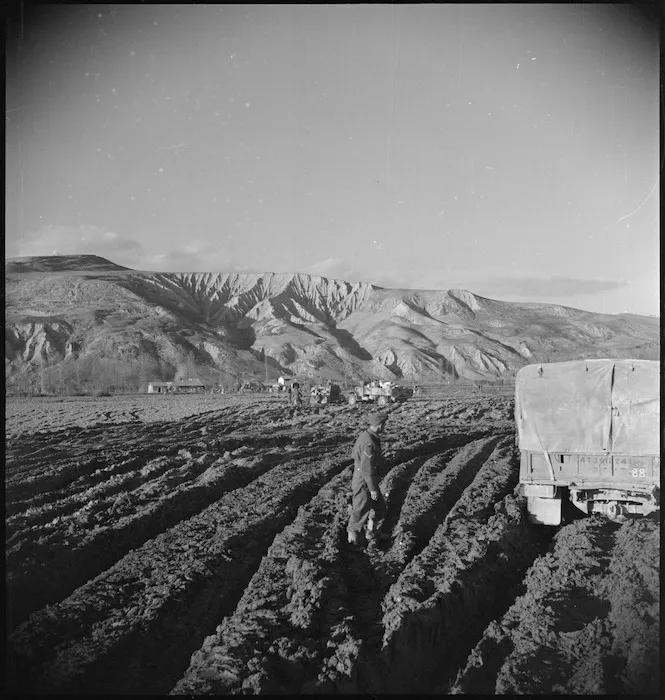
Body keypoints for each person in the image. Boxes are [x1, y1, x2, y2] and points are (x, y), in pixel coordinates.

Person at [347, 410, 390, 548]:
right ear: (380, 425)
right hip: (364, 481)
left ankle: (370, 532)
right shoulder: (369, 443)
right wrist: (372, 489)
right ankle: (352, 539)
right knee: (360, 510)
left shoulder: (370, 436)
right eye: (384, 424)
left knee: (379, 508)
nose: (385, 427)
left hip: (369, 479)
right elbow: (366, 469)